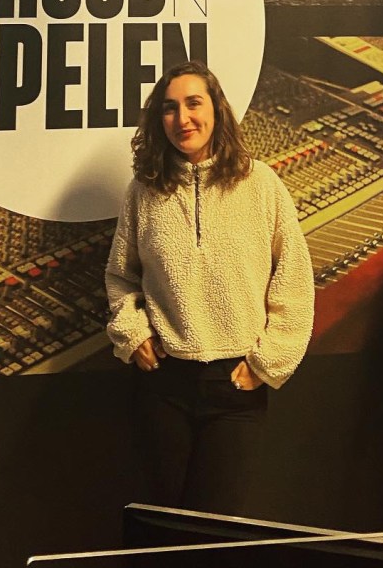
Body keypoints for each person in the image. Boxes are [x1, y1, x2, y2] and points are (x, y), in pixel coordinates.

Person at [105, 61, 314, 514]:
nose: (182, 118)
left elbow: (294, 279)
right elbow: (121, 276)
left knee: (218, 527)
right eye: (169, 108)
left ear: (216, 109)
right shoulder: (143, 191)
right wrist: (133, 332)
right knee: (162, 522)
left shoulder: (262, 184)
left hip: (235, 385)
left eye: (193, 103)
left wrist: (268, 362)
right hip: (164, 382)